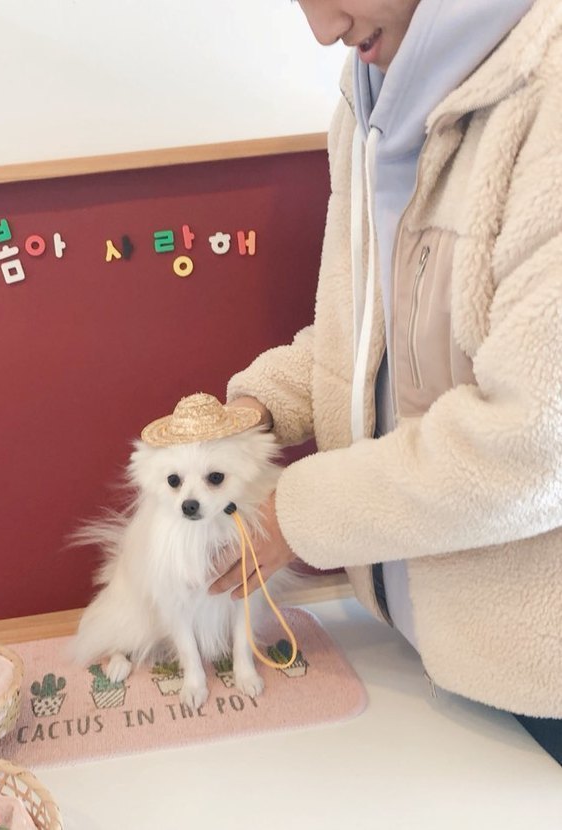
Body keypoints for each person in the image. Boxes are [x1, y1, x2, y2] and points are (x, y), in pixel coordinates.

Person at [210, 0, 562, 762]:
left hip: (543, 692)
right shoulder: (366, 92)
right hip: (425, 658)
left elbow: (535, 442)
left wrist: (293, 514)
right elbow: (366, 334)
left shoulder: (548, 92)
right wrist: (259, 406)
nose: (322, 29)